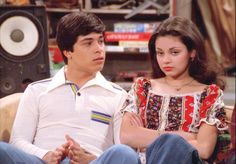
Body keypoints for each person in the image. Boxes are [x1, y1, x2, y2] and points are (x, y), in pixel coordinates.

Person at [0, 12, 140, 164]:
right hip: (43, 162)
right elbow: (18, 140)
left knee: (124, 153)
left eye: (101, 41)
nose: (99, 49)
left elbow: (123, 150)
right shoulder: (37, 90)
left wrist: (91, 158)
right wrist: (46, 155)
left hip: (93, 162)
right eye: (88, 43)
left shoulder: (118, 95)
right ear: (67, 51)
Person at [120, 16, 229, 164]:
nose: (165, 60)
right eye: (160, 53)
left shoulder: (209, 94)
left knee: (173, 146)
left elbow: (204, 148)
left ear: (192, 52)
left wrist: (146, 136)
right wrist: (188, 136)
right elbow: (127, 136)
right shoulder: (142, 88)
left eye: (174, 52)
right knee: (119, 152)